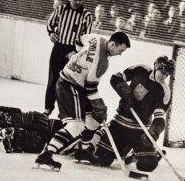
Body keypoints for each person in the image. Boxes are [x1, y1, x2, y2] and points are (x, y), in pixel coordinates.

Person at [35, 31, 131, 169]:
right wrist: (99, 104)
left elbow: (79, 38)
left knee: (96, 118)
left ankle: (83, 151)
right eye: (120, 50)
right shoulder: (102, 63)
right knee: (77, 125)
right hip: (69, 86)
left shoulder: (96, 38)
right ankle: (46, 154)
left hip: (74, 84)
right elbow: (90, 89)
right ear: (112, 44)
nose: (120, 54)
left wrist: (77, 53)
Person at [74, 56, 174, 172]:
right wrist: (126, 94)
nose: (164, 77)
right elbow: (116, 78)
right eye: (163, 72)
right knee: (104, 159)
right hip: (119, 124)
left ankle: (137, 154)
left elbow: (159, 119)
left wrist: (152, 135)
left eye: (167, 74)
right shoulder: (140, 70)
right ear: (156, 66)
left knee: (147, 165)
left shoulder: (164, 90)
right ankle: (128, 152)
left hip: (140, 129)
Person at [44, 0, 93, 117]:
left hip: (73, 52)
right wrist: (51, 34)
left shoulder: (87, 16)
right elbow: (50, 24)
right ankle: (48, 109)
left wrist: (76, 52)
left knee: (68, 83)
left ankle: (64, 113)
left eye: (80, 0)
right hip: (58, 48)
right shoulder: (60, 9)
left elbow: (87, 38)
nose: (78, 2)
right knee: (53, 79)